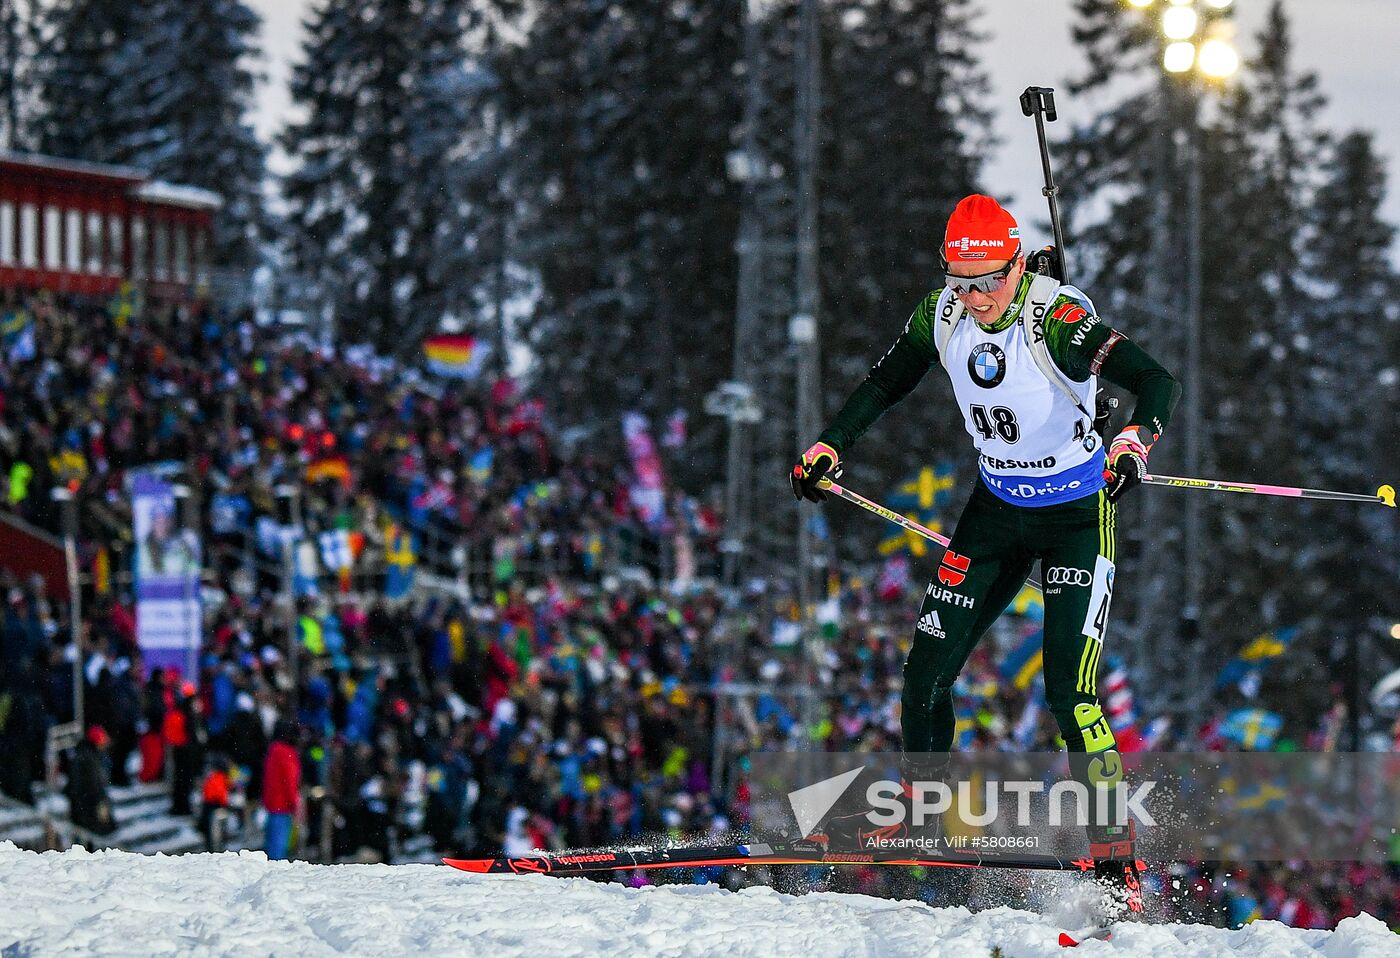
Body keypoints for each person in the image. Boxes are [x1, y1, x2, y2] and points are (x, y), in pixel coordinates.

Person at [791, 195, 1180, 912]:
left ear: (1015, 266)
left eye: (987, 283)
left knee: (1069, 689)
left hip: (1074, 517)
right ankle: (920, 802)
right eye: (959, 281)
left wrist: (1133, 441)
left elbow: (1157, 381)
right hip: (995, 512)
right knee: (924, 676)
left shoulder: (1056, 318)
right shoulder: (939, 314)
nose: (972, 299)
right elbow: (886, 382)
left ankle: (1112, 849)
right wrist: (829, 444)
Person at [262, 721, 302, 861]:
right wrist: (294, 803)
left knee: (271, 844)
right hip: (283, 804)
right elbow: (290, 781)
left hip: (272, 802)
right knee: (279, 848)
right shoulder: (287, 753)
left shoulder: (273, 750)